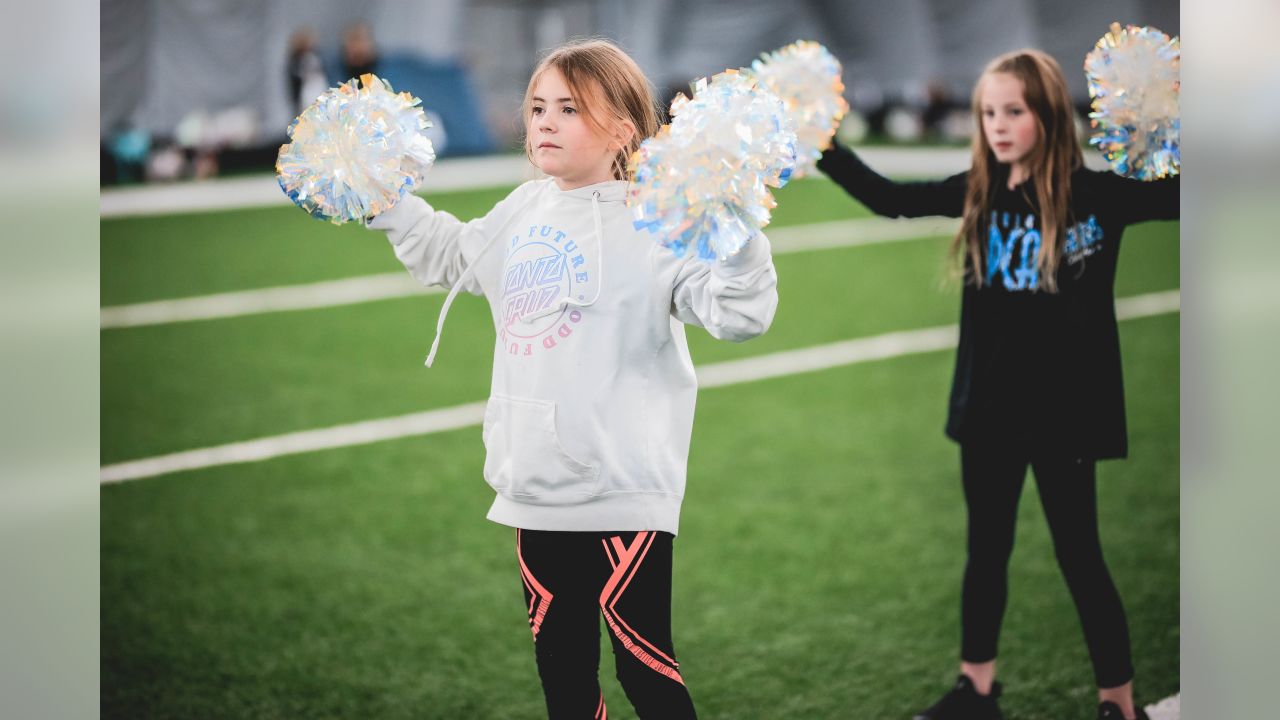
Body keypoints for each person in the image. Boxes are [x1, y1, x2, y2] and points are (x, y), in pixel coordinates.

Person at [366, 39, 778, 719]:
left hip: (623, 489)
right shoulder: (523, 209)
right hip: (534, 484)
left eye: (568, 109)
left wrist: (737, 237)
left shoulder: (660, 222)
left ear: (623, 130)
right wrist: (389, 201)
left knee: (646, 672)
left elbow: (739, 315)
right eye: (536, 107)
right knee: (563, 677)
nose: (545, 123)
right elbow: (451, 255)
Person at [815, 49, 1177, 720]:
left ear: (1047, 114)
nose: (998, 125)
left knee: (1080, 557)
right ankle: (975, 690)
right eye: (988, 113)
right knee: (986, 552)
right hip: (988, 409)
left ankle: (1119, 704)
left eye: (1014, 111)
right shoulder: (979, 190)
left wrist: (1174, 127)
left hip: (1066, 415)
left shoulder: (1099, 195)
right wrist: (824, 147)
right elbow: (891, 200)